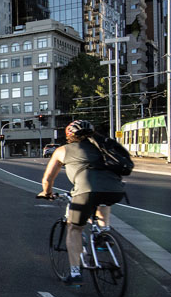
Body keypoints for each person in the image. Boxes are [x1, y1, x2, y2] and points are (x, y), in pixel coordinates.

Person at [36, 120, 126, 285]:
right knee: (102, 200)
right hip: (116, 190)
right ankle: (103, 233)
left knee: (74, 228)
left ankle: (75, 272)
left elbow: (48, 178)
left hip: (85, 191)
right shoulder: (102, 147)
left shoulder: (62, 150)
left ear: (69, 135)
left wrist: (47, 193)